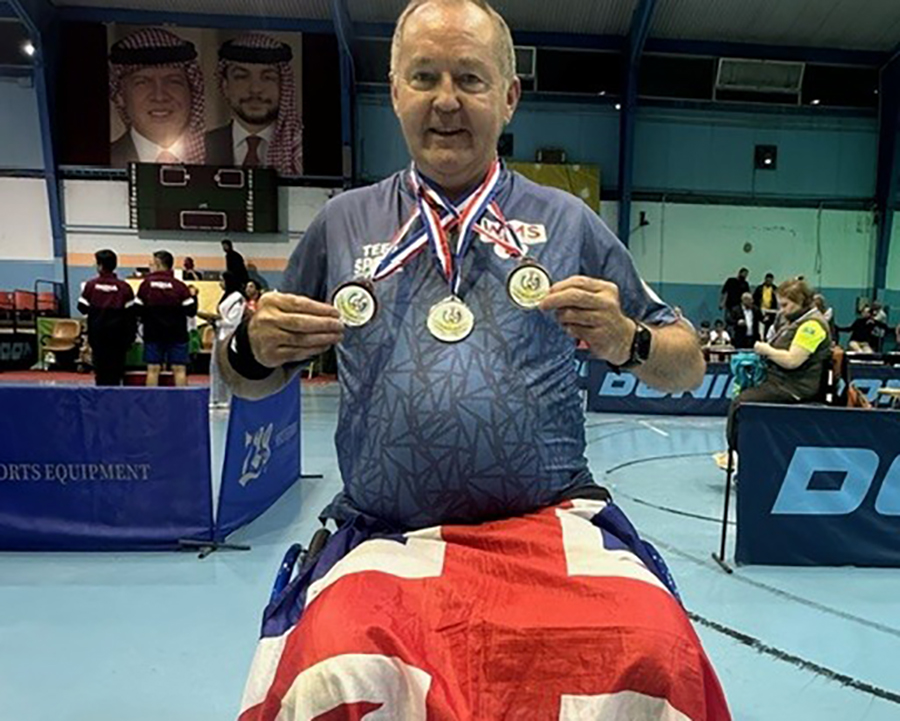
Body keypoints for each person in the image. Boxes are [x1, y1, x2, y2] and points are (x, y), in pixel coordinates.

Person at [224, 1, 727, 718]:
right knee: (328, 669)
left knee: (657, 648)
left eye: (471, 77)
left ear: (510, 94)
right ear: (394, 90)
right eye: (424, 77)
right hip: (385, 532)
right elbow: (246, 376)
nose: (447, 101)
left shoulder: (566, 221)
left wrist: (630, 339)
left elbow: (688, 362)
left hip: (551, 522)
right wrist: (252, 344)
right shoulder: (343, 223)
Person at [726, 278, 831, 449]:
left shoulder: (812, 326)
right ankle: (749, 451)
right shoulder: (795, 321)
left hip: (794, 387)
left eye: (785, 305)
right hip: (779, 381)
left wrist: (766, 349)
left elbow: (792, 360)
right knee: (743, 392)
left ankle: (740, 455)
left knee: (740, 404)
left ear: (801, 302)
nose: (781, 310)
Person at [205, 33, 303, 175]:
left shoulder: (299, 150)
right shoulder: (203, 147)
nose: (255, 89)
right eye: (242, 77)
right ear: (225, 86)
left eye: (268, 77)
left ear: (283, 86)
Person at [108, 27, 206, 167]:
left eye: (173, 82)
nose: (159, 96)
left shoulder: (223, 159)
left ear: (191, 92)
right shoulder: (102, 160)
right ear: (120, 96)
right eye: (142, 83)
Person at [135, 250, 198, 386]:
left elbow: (137, 310)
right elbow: (191, 311)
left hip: (153, 333)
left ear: (158, 263)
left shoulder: (146, 284)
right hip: (177, 334)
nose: (150, 265)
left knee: (153, 369)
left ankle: (150, 404)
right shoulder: (179, 286)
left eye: (151, 263)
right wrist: (194, 296)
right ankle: (182, 403)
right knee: (179, 369)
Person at [77, 249, 137, 386]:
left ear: (100, 266)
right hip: (119, 338)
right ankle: (115, 401)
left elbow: (82, 307)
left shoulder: (91, 286)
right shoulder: (124, 287)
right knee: (116, 372)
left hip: (98, 336)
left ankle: (101, 401)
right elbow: (131, 314)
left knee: (101, 372)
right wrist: (130, 338)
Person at [209, 272, 246, 408]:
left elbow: (233, 321)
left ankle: (228, 398)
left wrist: (216, 322)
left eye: (222, 280)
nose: (220, 283)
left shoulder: (238, 298)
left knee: (227, 369)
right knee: (216, 368)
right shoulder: (226, 297)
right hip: (219, 336)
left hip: (229, 337)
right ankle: (216, 397)